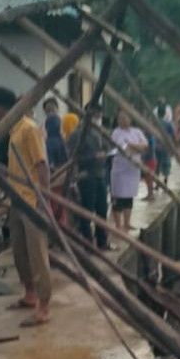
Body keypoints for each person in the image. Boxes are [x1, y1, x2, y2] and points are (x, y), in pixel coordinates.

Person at [0, 87, 51, 327]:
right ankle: (30, 294)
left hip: (32, 202)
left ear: (5, 108)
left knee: (37, 256)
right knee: (20, 252)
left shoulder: (28, 129)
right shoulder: (12, 132)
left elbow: (42, 166)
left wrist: (45, 199)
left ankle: (44, 306)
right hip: (16, 200)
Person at [67, 104, 112, 250]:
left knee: (102, 210)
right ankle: (87, 243)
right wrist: (93, 157)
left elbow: (106, 148)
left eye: (99, 116)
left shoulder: (99, 132)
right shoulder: (77, 135)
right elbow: (73, 158)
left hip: (100, 175)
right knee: (86, 211)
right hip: (86, 176)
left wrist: (107, 152)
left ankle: (102, 242)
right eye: (95, 116)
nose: (98, 119)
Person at [110, 110, 148, 231]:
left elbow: (144, 145)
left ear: (130, 119)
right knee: (118, 197)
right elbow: (122, 149)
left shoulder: (136, 132)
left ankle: (127, 222)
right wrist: (136, 148)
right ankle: (118, 224)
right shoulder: (116, 133)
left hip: (133, 169)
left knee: (129, 197)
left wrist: (132, 145)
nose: (122, 120)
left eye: (125, 118)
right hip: (120, 170)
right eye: (120, 118)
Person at [155, 105, 175, 185]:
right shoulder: (168, 124)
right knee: (166, 164)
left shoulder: (154, 123)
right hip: (165, 146)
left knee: (157, 165)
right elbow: (172, 135)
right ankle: (165, 181)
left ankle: (157, 183)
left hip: (156, 146)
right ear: (164, 114)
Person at [142, 132, 157, 201]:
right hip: (149, 160)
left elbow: (149, 149)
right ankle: (149, 194)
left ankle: (151, 195)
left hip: (149, 160)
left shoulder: (150, 138)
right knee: (147, 179)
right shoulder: (150, 137)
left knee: (149, 179)